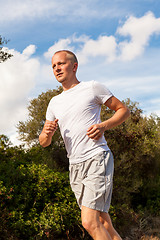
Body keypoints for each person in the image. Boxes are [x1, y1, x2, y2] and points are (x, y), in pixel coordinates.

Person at [39, 50, 130, 240]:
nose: (57, 68)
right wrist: (46, 133)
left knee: (89, 222)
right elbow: (44, 143)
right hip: (75, 165)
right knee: (103, 222)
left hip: (97, 157)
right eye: (54, 66)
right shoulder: (54, 102)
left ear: (74, 66)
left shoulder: (92, 87)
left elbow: (123, 110)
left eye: (61, 64)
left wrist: (103, 126)